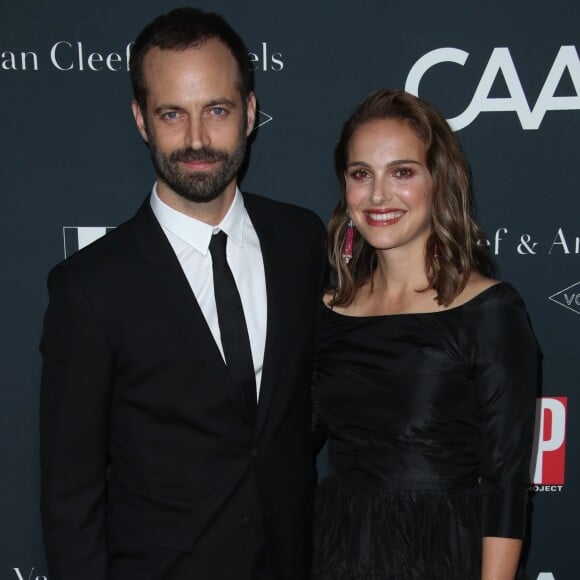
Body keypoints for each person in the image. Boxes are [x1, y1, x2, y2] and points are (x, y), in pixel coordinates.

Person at [39, 8, 326, 580]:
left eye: (216, 110)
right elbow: (70, 500)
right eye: (173, 113)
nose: (196, 139)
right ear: (142, 120)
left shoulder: (301, 240)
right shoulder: (90, 288)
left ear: (249, 113)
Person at [312, 89, 539, 580]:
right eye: (361, 174)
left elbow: (505, 484)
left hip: (440, 555)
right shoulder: (325, 312)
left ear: (439, 181)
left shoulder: (489, 312)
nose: (378, 195)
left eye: (402, 172)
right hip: (335, 553)